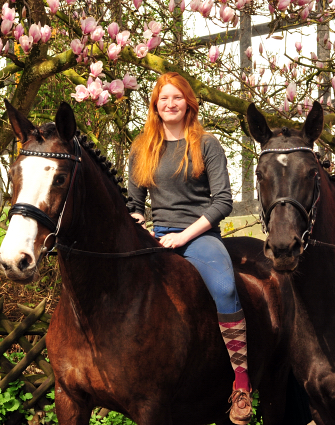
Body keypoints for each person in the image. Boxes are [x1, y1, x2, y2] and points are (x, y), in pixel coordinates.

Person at [127, 72, 252, 425]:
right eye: (164, 98)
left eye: (177, 98)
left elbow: (223, 201)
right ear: (155, 104)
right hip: (155, 237)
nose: (170, 104)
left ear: (188, 103)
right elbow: (134, 205)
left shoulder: (206, 143)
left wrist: (184, 236)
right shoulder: (142, 148)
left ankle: (241, 381)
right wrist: (140, 227)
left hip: (198, 234)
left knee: (226, 289)